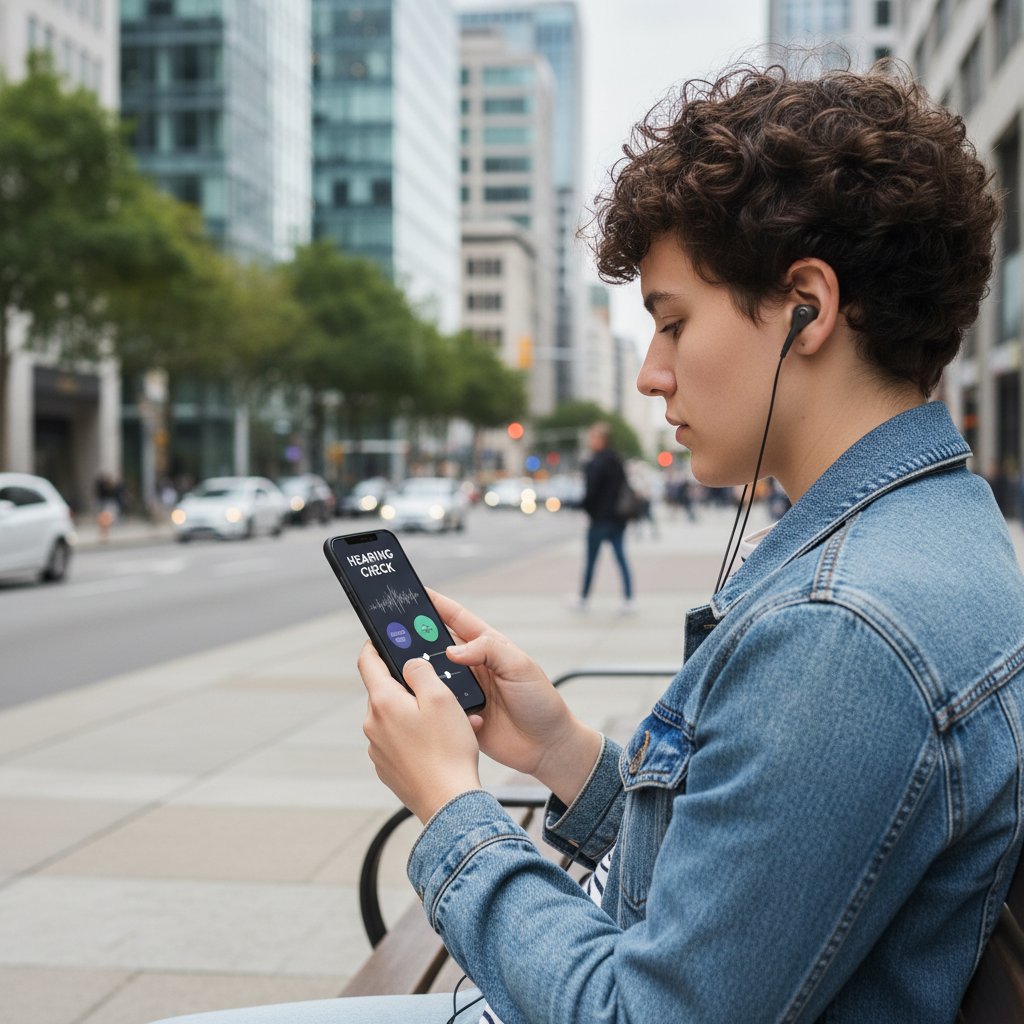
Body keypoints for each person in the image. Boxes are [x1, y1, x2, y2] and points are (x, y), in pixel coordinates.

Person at [151, 61, 1024, 1024]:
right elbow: (769, 886)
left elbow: (644, 1015)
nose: (651, 376)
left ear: (805, 308)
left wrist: (450, 805)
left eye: (672, 322)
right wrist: (561, 752)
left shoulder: (843, 632)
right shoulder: (941, 525)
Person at [574, 421, 634, 612]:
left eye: (592, 437)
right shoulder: (617, 460)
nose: (590, 441)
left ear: (601, 440)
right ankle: (628, 598)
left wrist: (583, 508)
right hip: (618, 519)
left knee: (591, 560)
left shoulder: (595, 462)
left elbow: (591, 493)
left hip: (600, 519)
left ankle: (583, 598)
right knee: (621, 558)